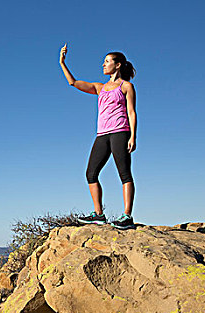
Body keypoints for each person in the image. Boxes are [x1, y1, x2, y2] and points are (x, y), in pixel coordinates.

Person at [59, 43, 137, 230]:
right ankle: (99, 214)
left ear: (117, 65)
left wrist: (133, 136)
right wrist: (62, 63)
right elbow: (73, 83)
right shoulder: (99, 87)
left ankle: (127, 216)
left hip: (120, 132)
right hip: (102, 135)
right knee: (91, 173)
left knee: (124, 173)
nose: (103, 65)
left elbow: (132, 112)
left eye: (107, 61)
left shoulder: (126, 86)